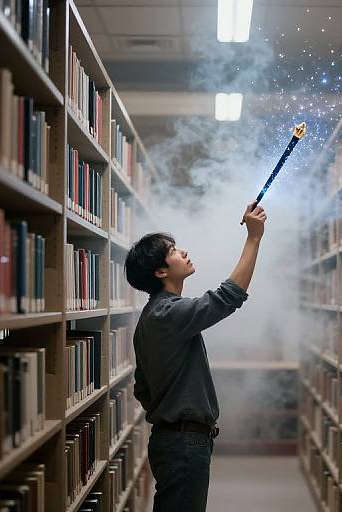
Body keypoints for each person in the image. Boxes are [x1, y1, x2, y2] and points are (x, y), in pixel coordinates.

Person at [124, 202, 267, 512]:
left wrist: (171, 407)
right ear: (161, 271)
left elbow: (142, 388)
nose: (183, 252)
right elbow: (228, 297)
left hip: (174, 439)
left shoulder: (154, 315)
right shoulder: (167, 314)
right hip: (183, 443)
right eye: (174, 250)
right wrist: (254, 238)